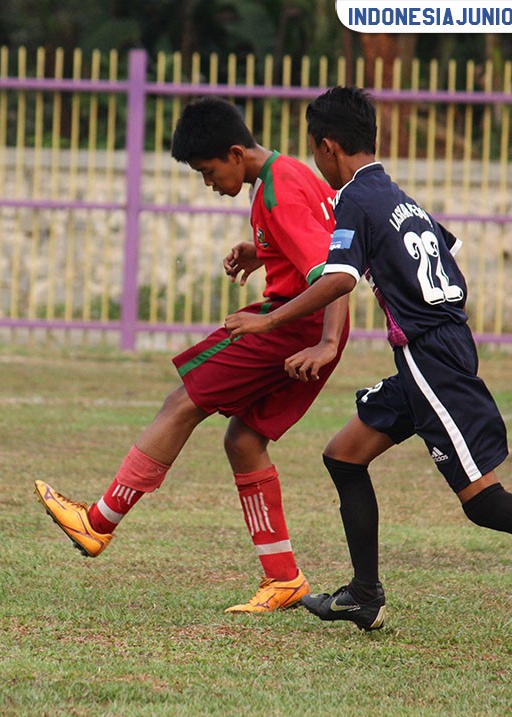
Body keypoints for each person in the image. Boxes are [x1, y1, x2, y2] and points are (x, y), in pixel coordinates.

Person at [224, 85, 512, 645]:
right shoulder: (396, 196)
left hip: (431, 357)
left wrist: (270, 322)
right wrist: (266, 252)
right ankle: (364, 596)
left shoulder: (355, 198)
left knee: (484, 501)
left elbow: (339, 278)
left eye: (313, 151)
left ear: (328, 147)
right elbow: (441, 249)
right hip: (432, 348)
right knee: (344, 456)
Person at [35, 96, 349, 612]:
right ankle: (283, 578)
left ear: (235, 153)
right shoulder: (286, 173)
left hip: (298, 323)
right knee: (244, 441)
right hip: (307, 322)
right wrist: (263, 251)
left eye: (208, 171)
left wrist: (320, 339)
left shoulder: (278, 193)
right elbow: (327, 237)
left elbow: (335, 272)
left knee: (183, 402)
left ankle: (97, 523)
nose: (208, 183)